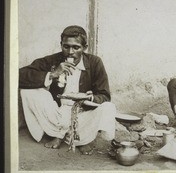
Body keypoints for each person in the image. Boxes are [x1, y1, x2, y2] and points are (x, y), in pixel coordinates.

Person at [19, 25, 116, 154]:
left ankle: (83, 140)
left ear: (84, 48)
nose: (70, 52)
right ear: (61, 45)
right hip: (57, 112)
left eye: (76, 47)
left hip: (82, 112)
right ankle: (58, 134)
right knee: (28, 91)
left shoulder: (94, 62)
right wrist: (53, 74)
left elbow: (104, 95)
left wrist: (88, 98)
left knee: (108, 107)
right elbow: (20, 75)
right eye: (66, 46)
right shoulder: (53, 60)